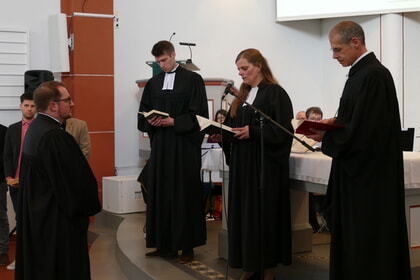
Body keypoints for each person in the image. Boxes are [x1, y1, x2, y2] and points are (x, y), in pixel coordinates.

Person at [307, 21, 411, 279]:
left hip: (369, 180)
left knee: (367, 240)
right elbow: (357, 120)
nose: (334, 56)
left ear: (355, 42)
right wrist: (335, 122)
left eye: (337, 49)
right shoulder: (360, 73)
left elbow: (367, 131)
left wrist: (327, 137)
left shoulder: (373, 75)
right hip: (358, 174)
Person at [15, 81, 101, 280]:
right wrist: (87, 207)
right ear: (53, 105)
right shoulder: (55, 136)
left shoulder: (36, 128)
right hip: (57, 223)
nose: (72, 103)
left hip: (40, 218)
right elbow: (77, 183)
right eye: (67, 99)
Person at [222, 48, 293, 280]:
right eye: (239, 70)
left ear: (259, 66)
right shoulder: (242, 97)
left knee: (263, 217)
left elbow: (284, 131)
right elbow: (234, 127)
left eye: (245, 68)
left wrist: (253, 131)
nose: (241, 73)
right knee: (246, 216)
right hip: (244, 166)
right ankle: (250, 265)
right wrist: (221, 134)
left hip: (264, 168)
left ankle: (268, 269)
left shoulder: (275, 93)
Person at [137, 40, 208, 264]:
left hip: (183, 147)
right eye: (158, 62)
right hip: (160, 147)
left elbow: (200, 115)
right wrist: (153, 120)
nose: (163, 65)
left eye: (165, 60)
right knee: (160, 192)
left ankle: (187, 247)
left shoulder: (193, 80)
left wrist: (173, 121)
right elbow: (143, 114)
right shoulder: (153, 83)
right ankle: (163, 244)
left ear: (173, 55)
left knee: (184, 193)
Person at [3, 92, 36, 270]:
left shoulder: (40, 128)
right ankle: (22, 259)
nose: (29, 109)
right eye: (26, 105)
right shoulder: (12, 129)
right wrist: (8, 177)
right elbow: (7, 155)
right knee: (21, 219)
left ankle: (36, 259)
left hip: (35, 185)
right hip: (15, 184)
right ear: (20, 106)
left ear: (37, 108)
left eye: (32, 106)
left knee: (35, 220)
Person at [0, 124, 9, 267]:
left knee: (1, 216)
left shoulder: (3, 131)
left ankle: (2, 252)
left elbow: (6, 155)